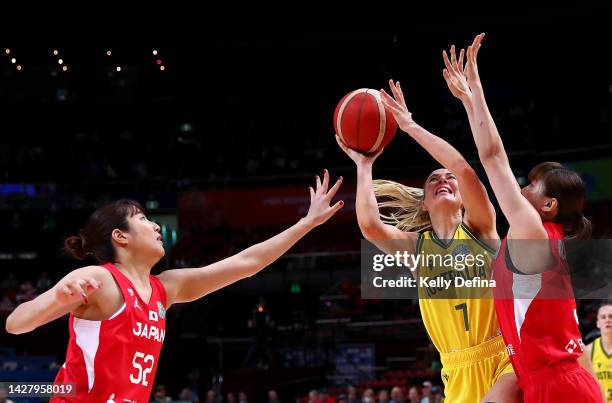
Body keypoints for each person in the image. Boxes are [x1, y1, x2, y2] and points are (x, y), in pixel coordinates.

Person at [5, 170, 344, 402]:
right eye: (142, 219)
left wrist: (306, 223)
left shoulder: (166, 288)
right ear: (119, 237)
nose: (154, 226)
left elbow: (247, 264)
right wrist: (56, 300)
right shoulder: (101, 280)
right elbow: (16, 323)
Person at [441, 32, 601, 402]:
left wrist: (473, 93)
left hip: (558, 385)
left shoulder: (534, 230)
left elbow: (493, 157)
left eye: (532, 185)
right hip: (540, 378)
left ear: (549, 206)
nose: (522, 189)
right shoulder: (534, 236)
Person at [338, 78, 519, 401]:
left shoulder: (480, 228)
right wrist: (364, 165)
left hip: (503, 356)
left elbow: (463, 170)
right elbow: (369, 226)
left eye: (447, 177)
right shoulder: (417, 250)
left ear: (463, 198)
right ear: (424, 201)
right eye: (433, 179)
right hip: (457, 370)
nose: (443, 179)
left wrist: (409, 126)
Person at [584, 302, 612, 401]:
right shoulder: (588, 350)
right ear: (598, 323)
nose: (607, 320)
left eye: (610, 316)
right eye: (603, 317)